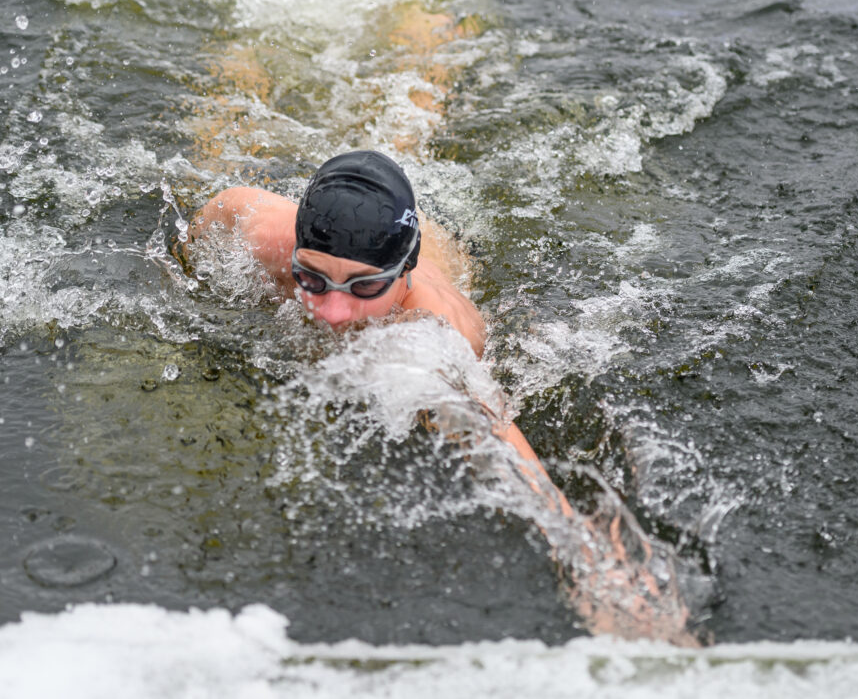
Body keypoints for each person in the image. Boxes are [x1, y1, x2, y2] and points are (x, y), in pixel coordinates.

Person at [187, 149, 695, 645]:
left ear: (404, 271)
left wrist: (593, 568)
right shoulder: (250, 228)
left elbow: (494, 437)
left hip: (436, 225)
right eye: (312, 279)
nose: (334, 311)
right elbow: (195, 246)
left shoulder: (435, 325)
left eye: (366, 288)